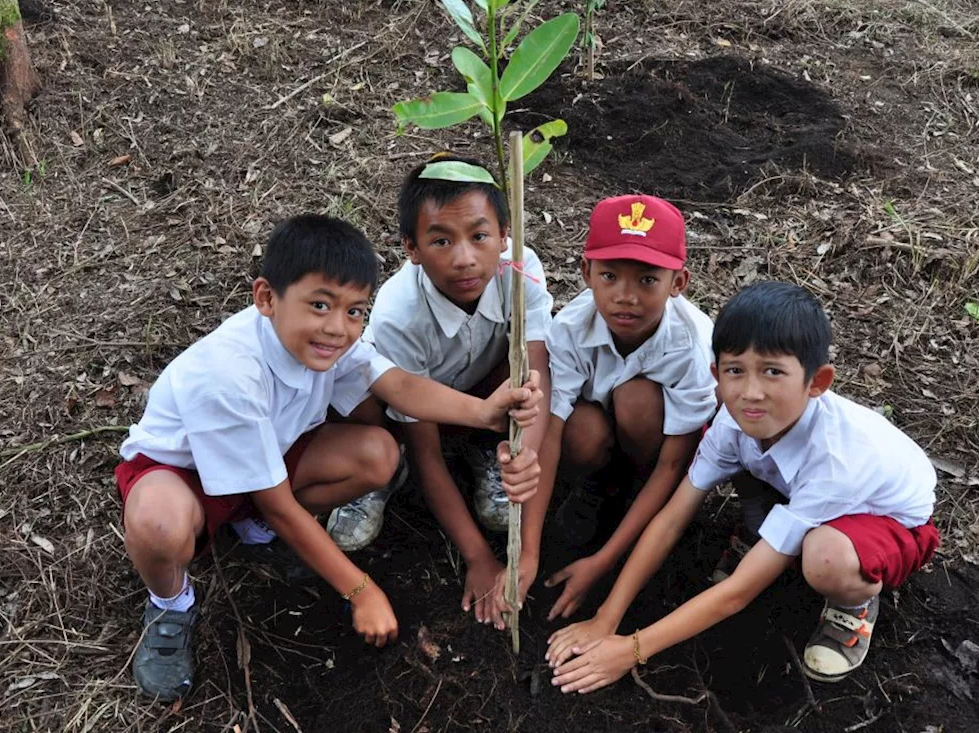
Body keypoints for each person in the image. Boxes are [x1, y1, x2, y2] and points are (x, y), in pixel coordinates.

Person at [116, 214, 543, 702]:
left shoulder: (332, 343)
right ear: (266, 298)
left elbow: (398, 385)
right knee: (158, 523)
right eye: (320, 305)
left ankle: (250, 528)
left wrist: (486, 414)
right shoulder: (228, 377)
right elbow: (277, 500)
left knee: (378, 455)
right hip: (180, 476)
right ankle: (171, 603)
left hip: (269, 456)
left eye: (356, 311)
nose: (338, 328)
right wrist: (361, 590)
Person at [545, 281, 939, 691]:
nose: (751, 393)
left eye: (773, 372)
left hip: (890, 521)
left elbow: (737, 594)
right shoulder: (733, 423)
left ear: (817, 381)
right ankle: (767, 537)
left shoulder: (835, 461)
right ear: (716, 374)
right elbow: (672, 518)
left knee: (825, 557)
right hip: (799, 489)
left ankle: (853, 603)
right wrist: (607, 617)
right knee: (747, 460)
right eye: (735, 370)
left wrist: (632, 649)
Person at [332, 155, 555, 629]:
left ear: (505, 234)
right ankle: (384, 475)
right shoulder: (399, 313)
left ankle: (489, 454)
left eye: (479, 236)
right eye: (440, 240)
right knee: (365, 402)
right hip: (418, 408)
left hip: (485, 398)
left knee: (514, 367)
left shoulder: (520, 270)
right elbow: (428, 452)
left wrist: (525, 457)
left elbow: (537, 371)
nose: (464, 258)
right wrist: (477, 557)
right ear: (411, 248)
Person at [540, 195, 717, 621]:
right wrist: (528, 552)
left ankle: (635, 499)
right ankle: (599, 488)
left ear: (679, 283)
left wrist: (602, 562)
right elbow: (550, 429)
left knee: (634, 397)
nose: (626, 297)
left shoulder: (693, 346)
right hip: (601, 436)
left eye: (647, 280)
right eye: (610, 275)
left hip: (655, 452)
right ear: (586, 274)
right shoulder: (568, 328)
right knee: (576, 428)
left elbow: (675, 464)